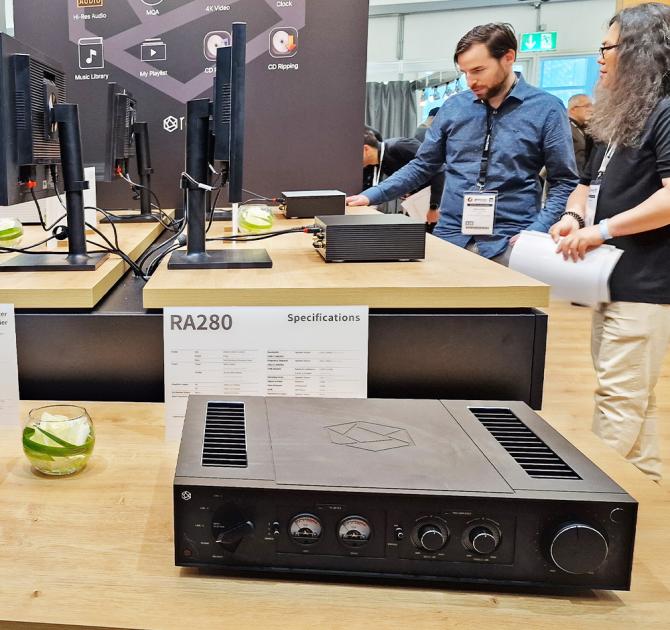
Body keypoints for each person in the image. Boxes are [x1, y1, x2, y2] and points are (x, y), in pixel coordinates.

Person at [550, 2, 670, 481]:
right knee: (635, 402)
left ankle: (596, 515)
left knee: (619, 405)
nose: (599, 56)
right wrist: (572, 215)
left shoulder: (664, 113)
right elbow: (586, 183)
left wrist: (601, 231)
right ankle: (648, 497)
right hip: (608, 281)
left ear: (638, 51)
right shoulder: (622, 114)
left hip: (644, 285)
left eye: (608, 47)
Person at [347, 23, 578, 266]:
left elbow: (564, 180)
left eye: (478, 70)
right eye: (465, 72)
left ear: (509, 57)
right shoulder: (454, 108)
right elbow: (423, 165)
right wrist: (371, 196)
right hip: (450, 237)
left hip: (511, 240)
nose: (470, 81)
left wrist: (537, 231)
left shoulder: (546, 109)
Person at [362, 128, 445, 227]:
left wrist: (434, 206)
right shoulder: (380, 162)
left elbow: (439, 168)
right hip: (420, 204)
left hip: (440, 199)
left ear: (366, 149)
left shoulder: (399, 146)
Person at [567, 93, 594, 176]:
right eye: (587, 106)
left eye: (592, 106)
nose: (592, 109)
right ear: (573, 109)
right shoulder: (564, 128)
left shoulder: (586, 128)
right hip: (569, 181)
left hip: (583, 179)